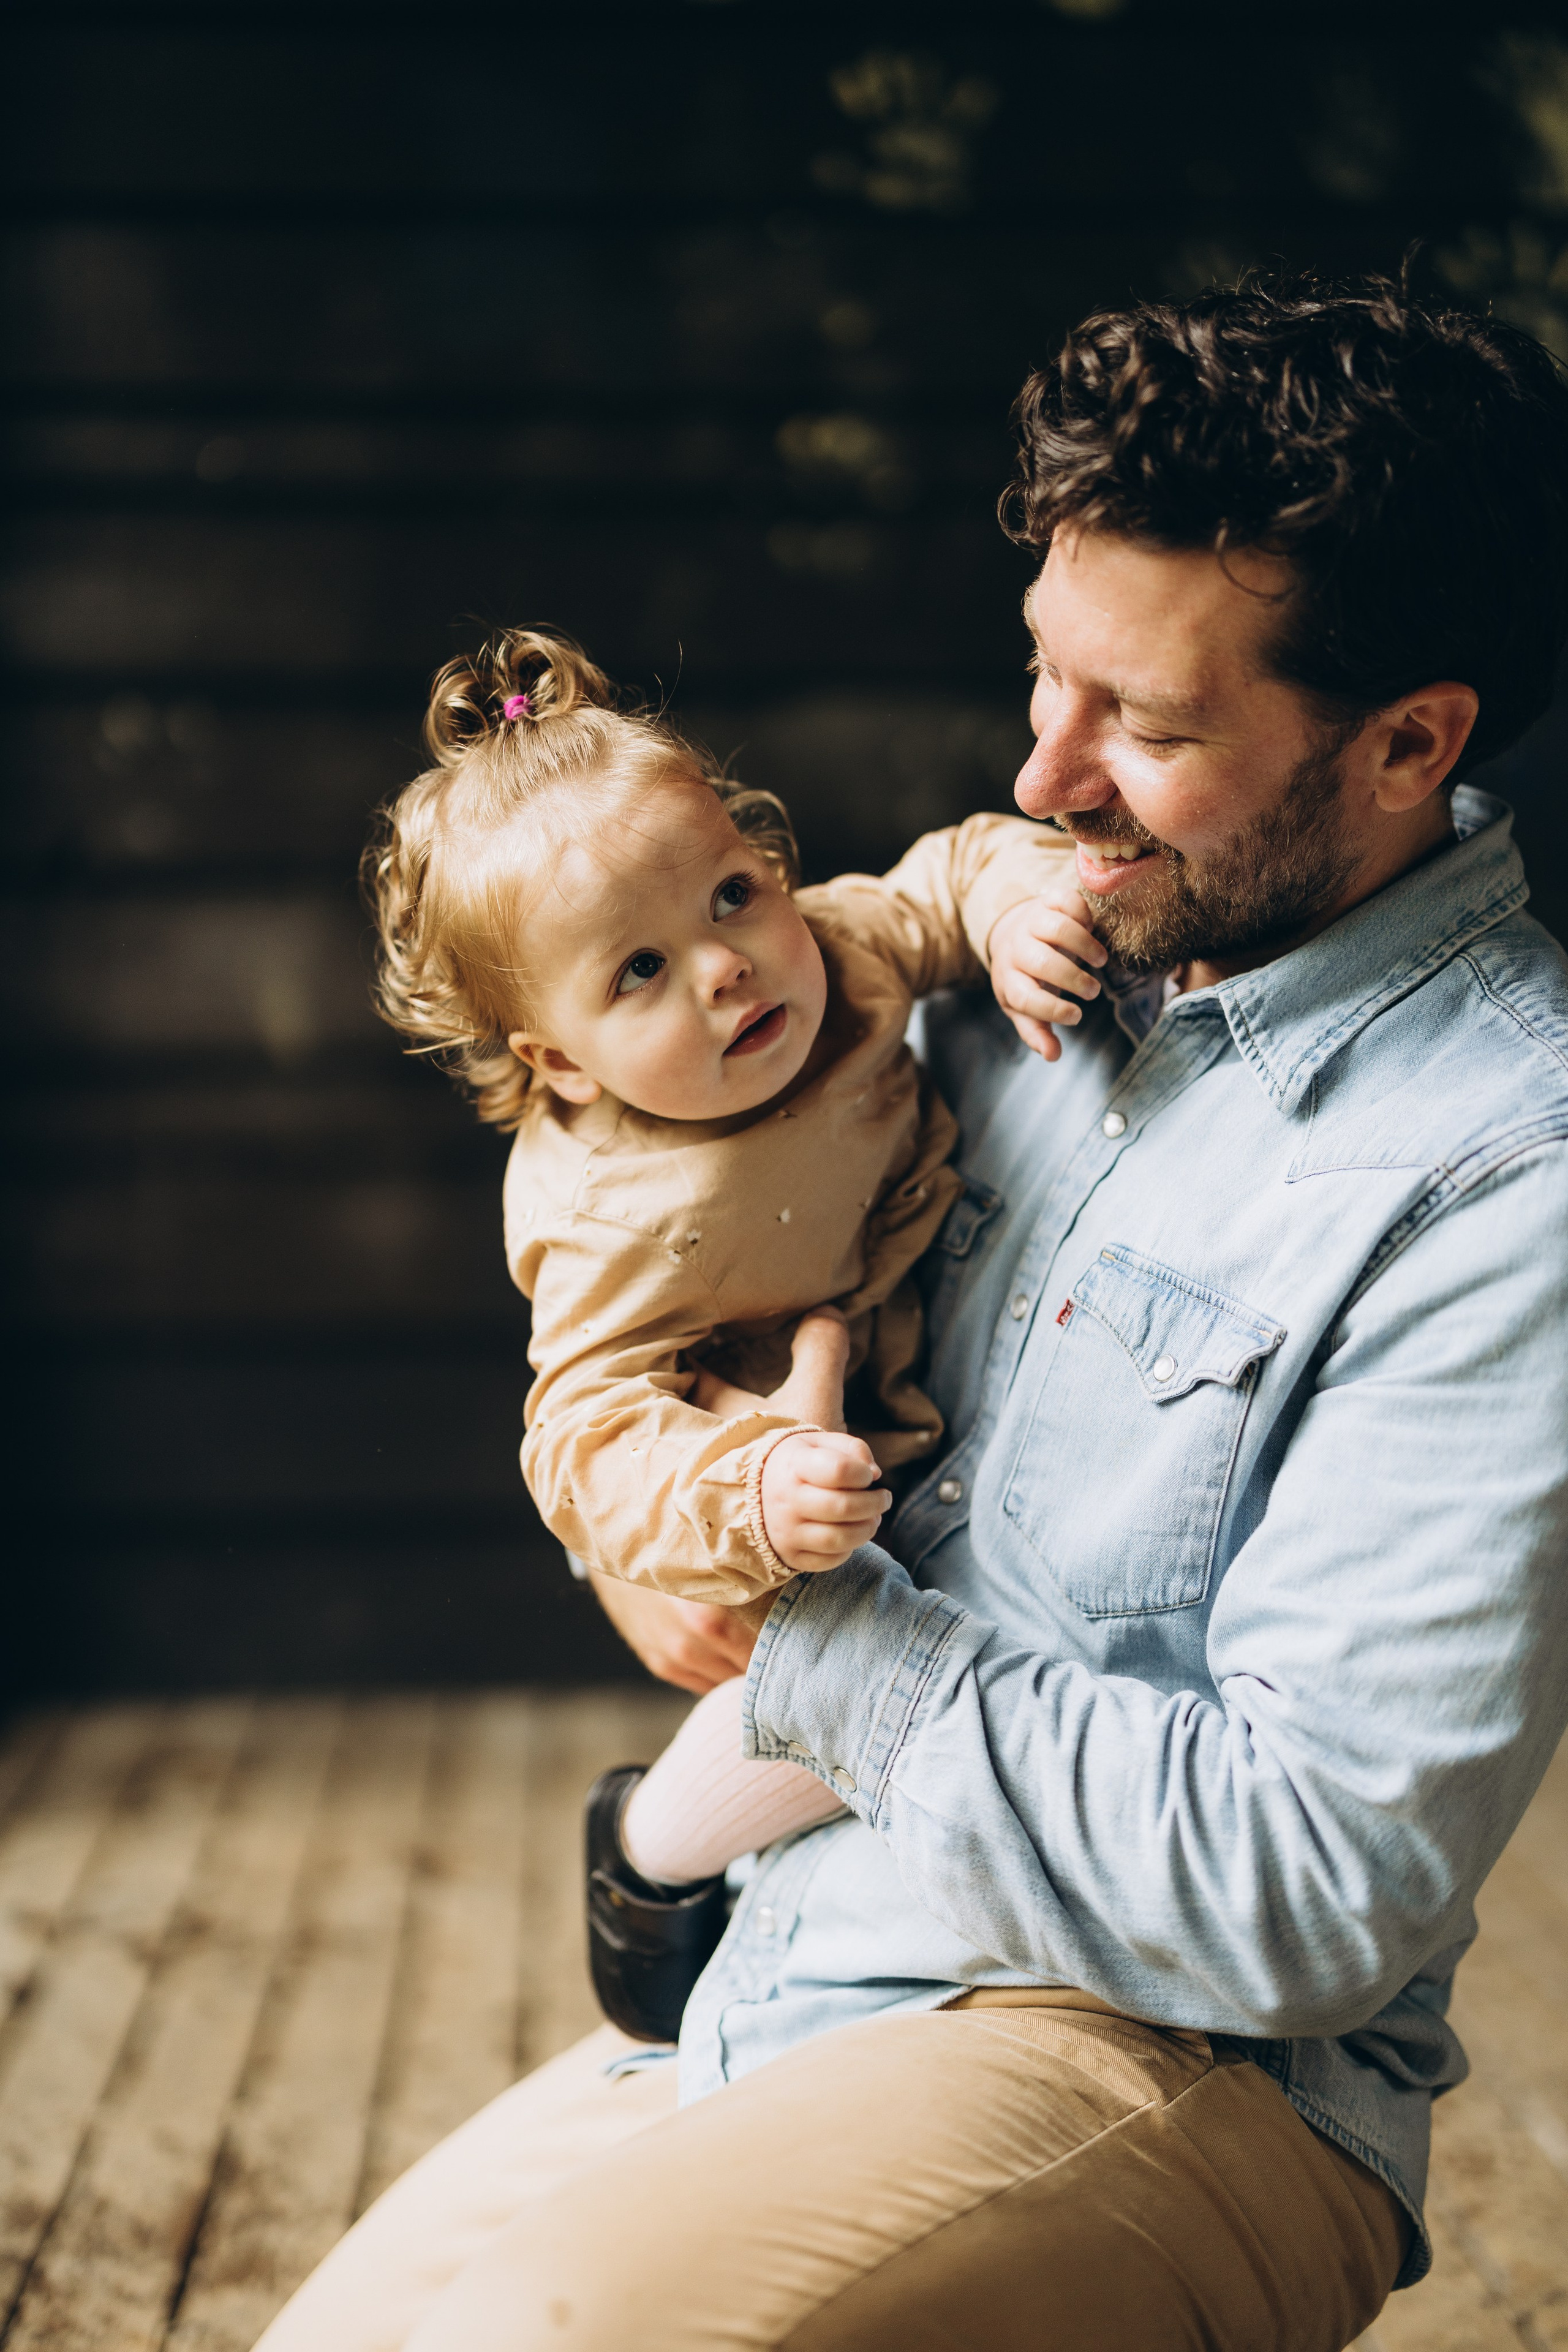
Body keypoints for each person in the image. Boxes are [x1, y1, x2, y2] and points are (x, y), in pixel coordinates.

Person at [256, 274, 1568, 2352]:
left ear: (1411, 740)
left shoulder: (1512, 1171)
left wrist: (817, 1647)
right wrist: (664, 1531)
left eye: (1146, 724)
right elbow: (671, 1383)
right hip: (800, 1952)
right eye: (1044, 676)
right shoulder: (1018, 967)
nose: (1047, 776)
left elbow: (1310, 1888)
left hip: (1168, 2056)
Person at [362, 634, 1086, 2023]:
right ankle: (649, 1867)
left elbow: (941, 876)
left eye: (733, 896)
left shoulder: (837, 960)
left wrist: (1011, 909)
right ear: (557, 1061)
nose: (726, 968)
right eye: (637, 968)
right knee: (822, 1690)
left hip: (907, 1359)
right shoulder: (609, 1215)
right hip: (777, 1472)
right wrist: (737, 1485)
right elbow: (579, 1436)